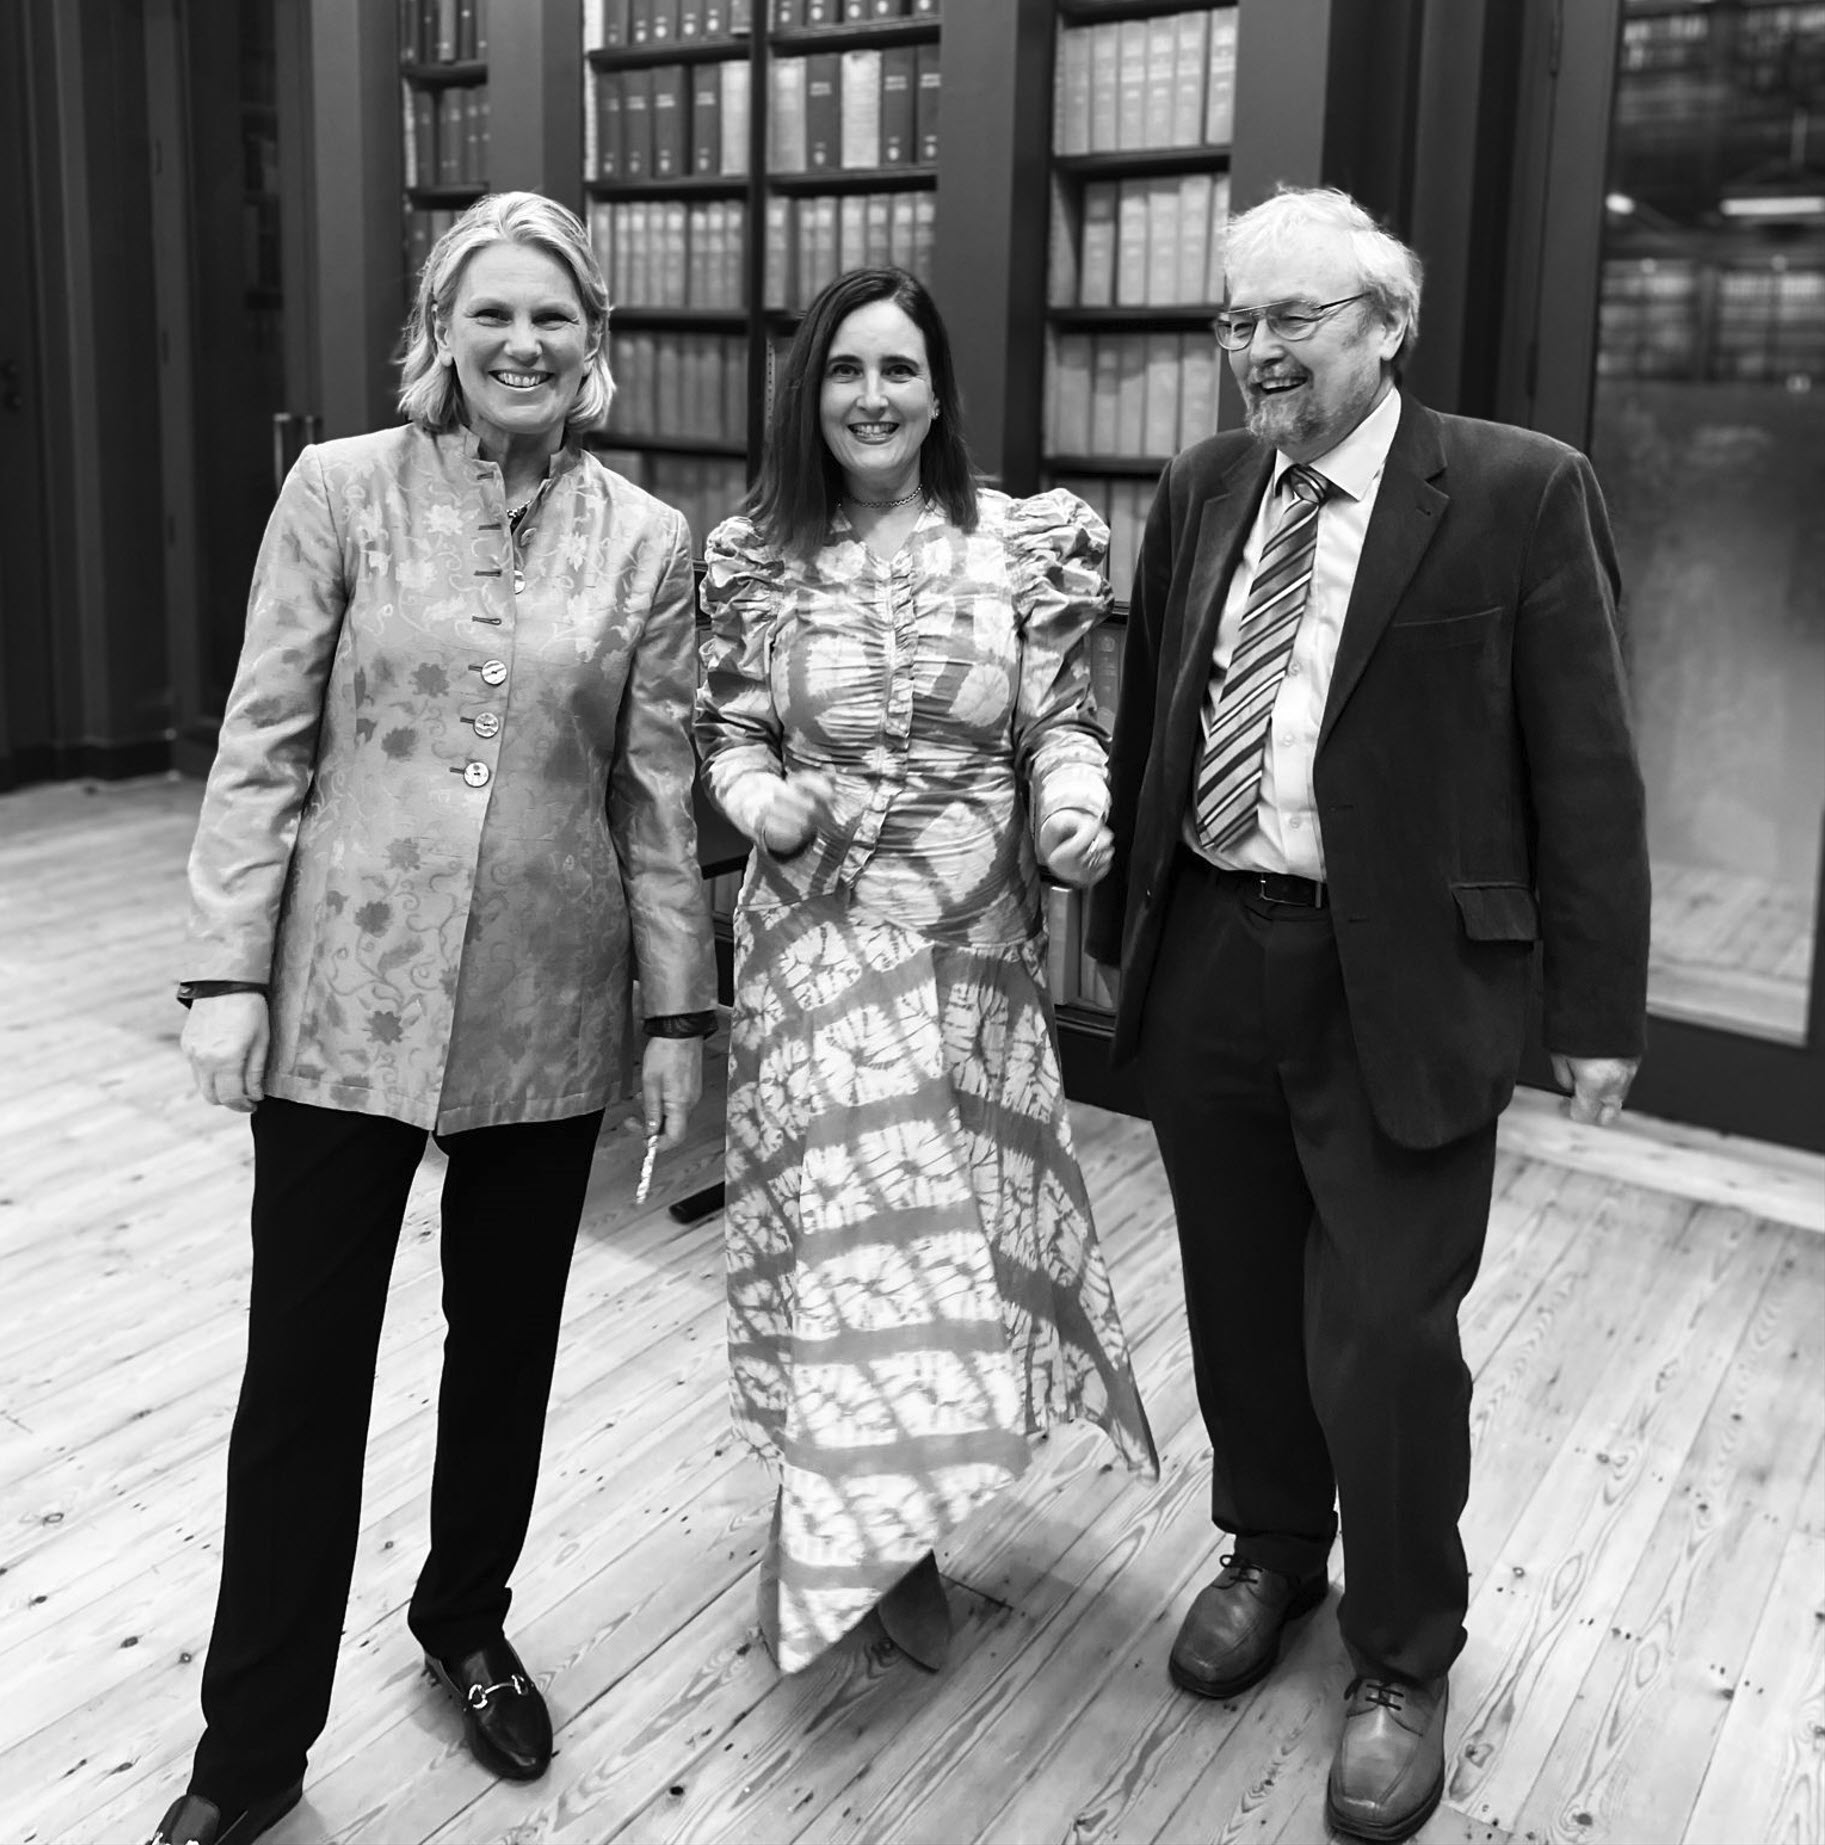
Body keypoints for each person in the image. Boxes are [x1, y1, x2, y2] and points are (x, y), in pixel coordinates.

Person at [149, 192, 718, 1845]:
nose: (522, 344)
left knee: (508, 1350)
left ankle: (464, 1617)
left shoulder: (647, 542)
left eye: (553, 318)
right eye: (491, 317)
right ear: (440, 338)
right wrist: (224, 973)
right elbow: (262, 742)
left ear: (592, 342)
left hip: (550, 1005)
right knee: (304, 1378)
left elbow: (657, 801)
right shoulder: (338, 490)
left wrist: (681, 1023)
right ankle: (248, 1751)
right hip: (341, 1002)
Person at [1087, 187, 1649, 1844]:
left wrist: (1595, 1007)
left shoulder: (1517, 490)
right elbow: (1156, 709)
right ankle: (1270, 1546)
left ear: (1384, 323)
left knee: (1389, 1334)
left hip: (1398, 977)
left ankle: (1401, 1653)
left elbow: (1589, 767)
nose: (1256, 353)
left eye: (1293, 321)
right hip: (1209, 951)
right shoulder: (1200, 487)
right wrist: (1127, 924)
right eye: (1232, 321)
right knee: (1239, 1294)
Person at [694, 266, 1158, 1677]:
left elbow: (1059, 731)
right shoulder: (753, 556)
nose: (871, 397)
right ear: (808, 392)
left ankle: (893, 1514)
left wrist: (1075, 814)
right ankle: (845, 1528)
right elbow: (725, 733)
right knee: (844, 1250)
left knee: (947, 1256)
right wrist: (750, 795)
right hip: (812, 952)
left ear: (938, 388)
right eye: (844, 371)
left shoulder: (1026, 542)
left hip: (970, 960)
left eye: (897, 369)